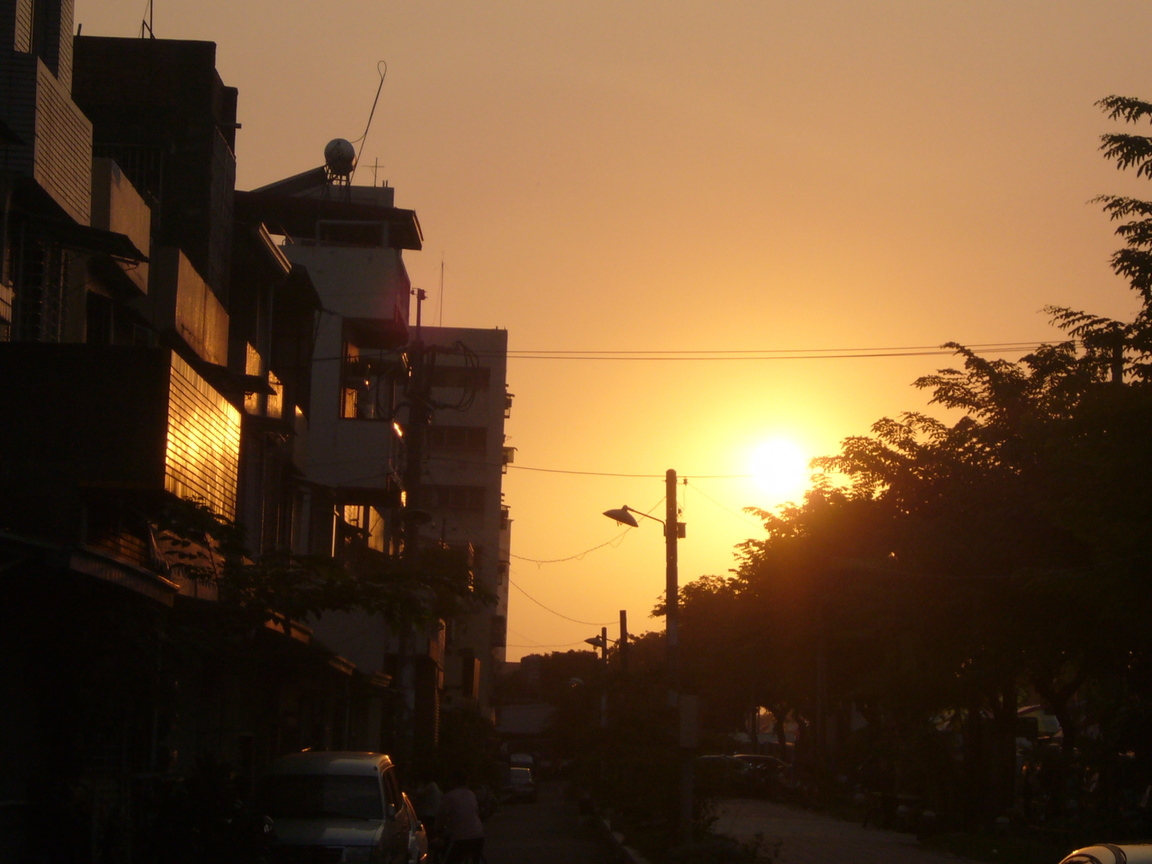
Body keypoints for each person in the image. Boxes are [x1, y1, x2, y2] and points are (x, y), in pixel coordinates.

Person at [435, 770, 484, 864]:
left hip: (460, 838)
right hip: (478, 835)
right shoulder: (471, 794)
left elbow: (440, 818)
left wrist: (438, 830)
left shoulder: (448, 797)